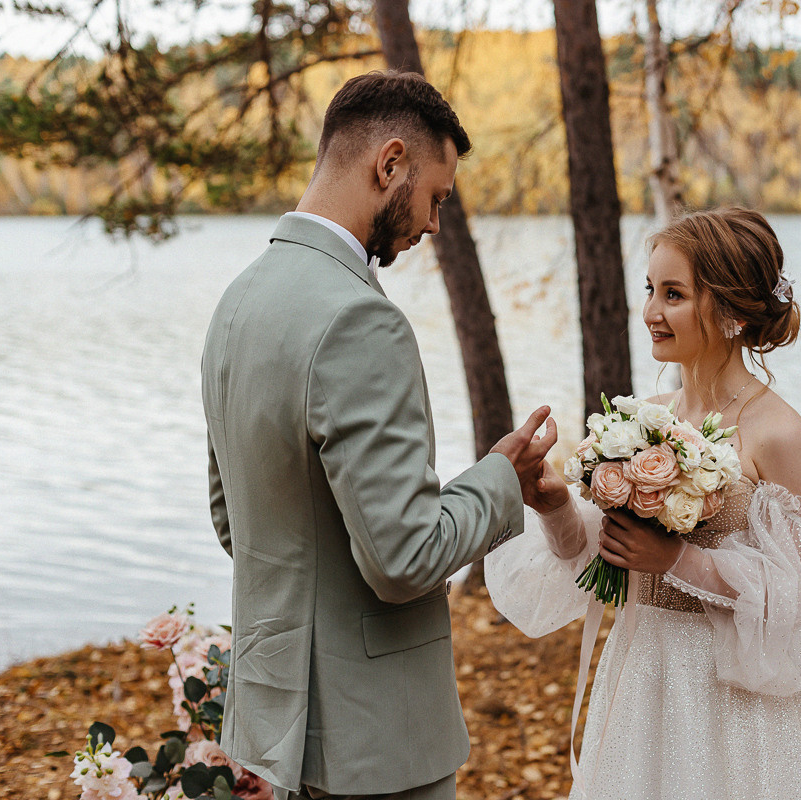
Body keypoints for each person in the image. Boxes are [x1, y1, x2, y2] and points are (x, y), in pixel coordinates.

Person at [201, 70, 558, 800]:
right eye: (436, 197)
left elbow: (233, 520)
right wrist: (498, 480)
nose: (433, 224)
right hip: (376, 743)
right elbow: (403, 557)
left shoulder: (236, 303)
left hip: (277, 728)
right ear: (389, 162)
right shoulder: (360, 320)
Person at [486, 208, 801, 799]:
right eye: (650, 289)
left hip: (728, 697)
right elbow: (594, 566)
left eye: (674, 294)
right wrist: (554, 507)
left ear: (730, 311)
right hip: (639, 677)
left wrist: (676, 560)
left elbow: (800, 605)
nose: (651, 311)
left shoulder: (778, 434)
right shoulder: (646, 418)